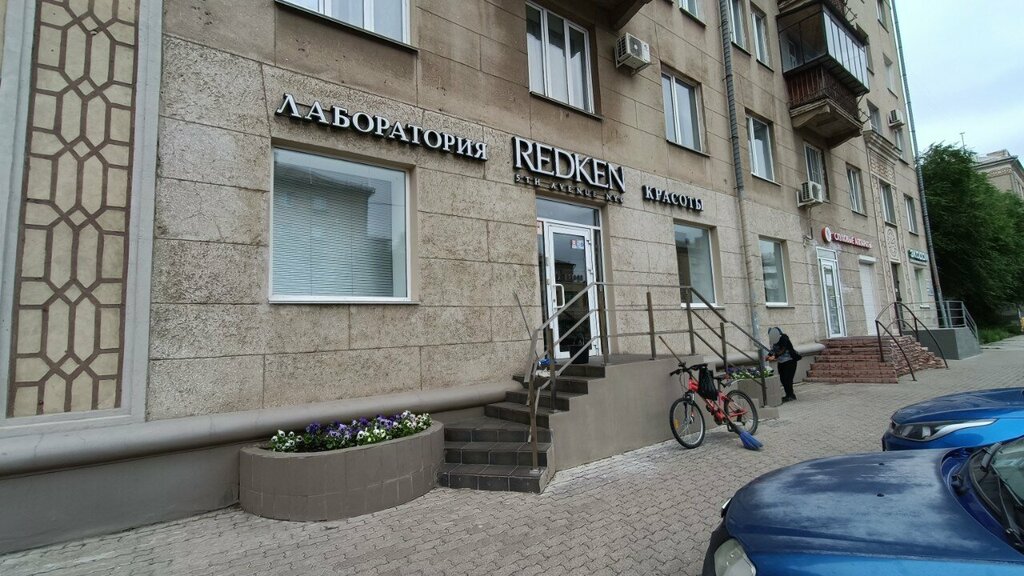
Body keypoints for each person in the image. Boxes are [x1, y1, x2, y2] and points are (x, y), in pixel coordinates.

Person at [766, 326, 801, 402]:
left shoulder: (784, 338)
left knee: (788, 379)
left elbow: (783, 349)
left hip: (790, 361)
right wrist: (768, 355)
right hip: (781, 362)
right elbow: (773, 350)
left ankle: (791, 395)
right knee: (783, 379)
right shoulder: (773, 341)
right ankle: (788, 395)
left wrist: (774, 356)